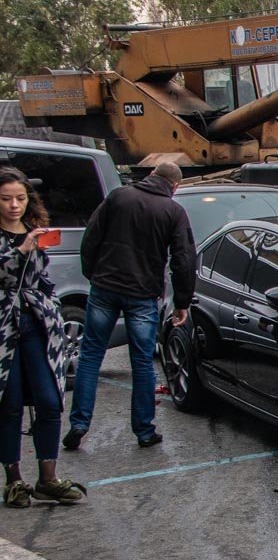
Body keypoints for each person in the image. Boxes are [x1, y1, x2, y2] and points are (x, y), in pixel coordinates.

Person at [64, 162, 196, 450]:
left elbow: (91, 238)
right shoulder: (173, 211)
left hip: (105, 287)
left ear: (151, 176)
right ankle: (144, 430)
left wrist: (94, 274)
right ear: (174, 187)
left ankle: (79, 424)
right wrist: (182, 303)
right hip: (143, 294)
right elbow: (183, 260)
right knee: (142, 363)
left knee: (89, 357)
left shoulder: (118, 197)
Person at [0, 168, 85, 507]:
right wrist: (22, 250)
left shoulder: (32, 230)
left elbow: (40, 276)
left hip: (38, 324)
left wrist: (49, 300)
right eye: (6, 199)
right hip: (4, 328)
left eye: (20, 199)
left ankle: (48, 478)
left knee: (50, 400)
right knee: (8, 405)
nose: (14, 206)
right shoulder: (20, 239)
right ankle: (14, 481)